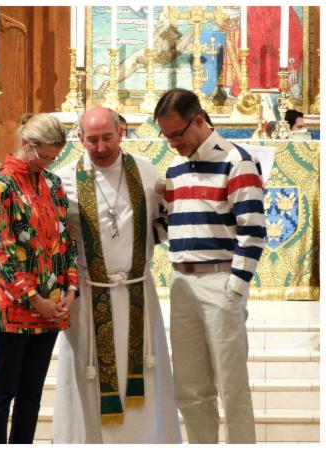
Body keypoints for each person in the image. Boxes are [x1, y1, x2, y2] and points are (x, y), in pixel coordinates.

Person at [52, 107, 181, 443]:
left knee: (146, 378)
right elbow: (56, 243)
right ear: (79, 139)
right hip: (89, 296)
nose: (100, 146)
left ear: (121, 132)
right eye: (92, 140)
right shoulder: (64, 181)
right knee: (86, 377)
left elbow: (164, 227)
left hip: (139, 293)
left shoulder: (146, 172)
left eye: (107, 137)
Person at [155, 88, 266, 444]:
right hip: (181, 284)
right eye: (166, 136)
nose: (172, 143)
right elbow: (165, 227)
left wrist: (235, 287)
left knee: (231, 385)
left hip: (220, 280)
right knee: (189, 387)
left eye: (177, 134)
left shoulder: (237, 161)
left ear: (199, 120)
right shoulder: (175, 167)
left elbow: (254, 230)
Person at [0, 113, 78, 444]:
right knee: (2, 394)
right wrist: (35, 299)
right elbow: (3, 251)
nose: (47, 163)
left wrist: (70, 290)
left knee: (32, 395)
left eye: (53, 158)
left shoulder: (52, 183)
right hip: (14, 307)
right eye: (43, 156)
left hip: (51, 307)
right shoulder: (1, 185)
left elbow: (65, 241)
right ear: (26, 144)